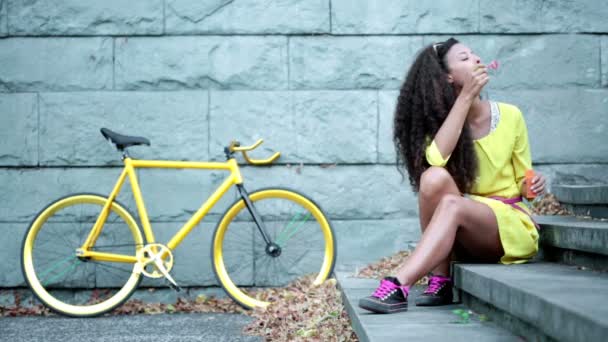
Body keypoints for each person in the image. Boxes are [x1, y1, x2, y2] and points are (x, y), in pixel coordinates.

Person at [359, 38, 546, 314]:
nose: (476, 59)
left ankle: (398, 284)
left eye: (474, 54)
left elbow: (523, 180)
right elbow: (435, 161)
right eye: (464, 58)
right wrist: (466, 98)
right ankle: (440, 278)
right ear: (448, 76)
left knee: (451, 204)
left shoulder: (510, 115)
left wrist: (532, 184)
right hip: (464, 225)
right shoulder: (446, 123)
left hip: (507, 226)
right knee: (433, 178)